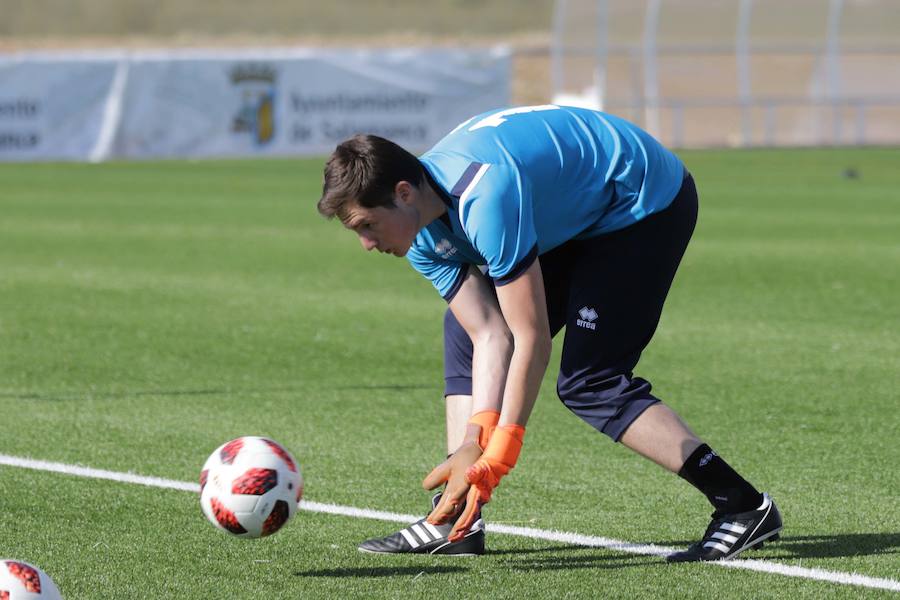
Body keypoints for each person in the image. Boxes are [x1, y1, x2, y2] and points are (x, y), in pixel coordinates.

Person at [317, 105, 782, 561]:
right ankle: (455, 514)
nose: (367, 244)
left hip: (641, 202)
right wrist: (473, 444)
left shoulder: (485, 196)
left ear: (403, 193)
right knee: (461, 331)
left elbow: (530, 339)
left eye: (367, 225)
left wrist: (500, 451)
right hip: (577, 210)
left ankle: (743, 507)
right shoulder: (420, 236)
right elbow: (488, 334)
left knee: (590, 382)